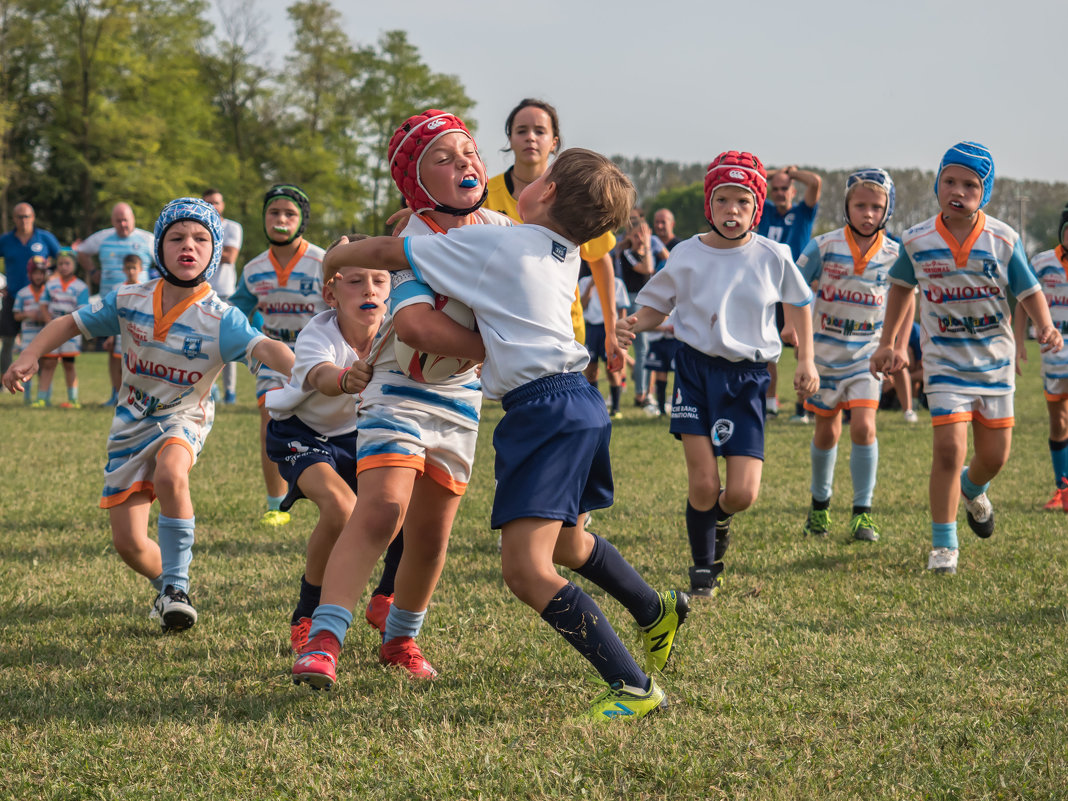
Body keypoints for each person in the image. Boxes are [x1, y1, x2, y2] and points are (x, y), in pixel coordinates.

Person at [297, 148, 687, 721]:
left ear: (548, 193)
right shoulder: (564, 252)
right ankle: (653, 609)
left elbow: (390, 255)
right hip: (581, 403)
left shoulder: (503, 240)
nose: (521, 184)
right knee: (568, 544)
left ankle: (632, 686)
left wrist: (341, 256)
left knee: (526, 569)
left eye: (541, 178)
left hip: (543, 412)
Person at [3, 198, 295, 630]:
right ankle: (168, 590)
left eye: (200, 238)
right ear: (158, 247)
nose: (188, 246)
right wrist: (28, 355)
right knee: (129, 545)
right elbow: (68, 325)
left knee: (171, 472)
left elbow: (266, 349)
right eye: (176, 237)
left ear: (214, 251)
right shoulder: (128, 299)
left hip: (184, 419)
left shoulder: (221, 318)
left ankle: (177, 586)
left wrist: (315, 373)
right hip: (129, 427)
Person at [292, 110, 505, 685]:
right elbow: (415, 330)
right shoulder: (412, 240)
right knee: (383, 510)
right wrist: (502, 345)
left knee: (432, 534)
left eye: (469, 151)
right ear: (415, 183)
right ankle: (325, 638)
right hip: (398, 390)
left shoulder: (507, 230)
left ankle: (401, 640)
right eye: (443, 157)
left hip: (461, 397)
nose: (463, 161)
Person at [618, 151, 818, 598]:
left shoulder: (773, 255)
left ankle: (721, 518)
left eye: (742, 202)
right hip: (693, 371)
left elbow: (800, 303)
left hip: (747, 378)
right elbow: (656, 306)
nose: (732, 211)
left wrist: (805, 360)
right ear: (709, 204)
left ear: (757, 208)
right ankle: (703, 568)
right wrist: (633, 324)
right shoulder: (687, 253)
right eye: (722, 200)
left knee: (742, 494)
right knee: (703, 483)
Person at [871, 142, 1062, 575]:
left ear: (986, 192)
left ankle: (973, 490)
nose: (958, 190)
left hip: (994, 361)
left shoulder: (1003, 238)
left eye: (970, 185)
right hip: (944, 363)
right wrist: (893, 345)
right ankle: (944, 545)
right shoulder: (917, 239)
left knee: (994, 455)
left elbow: (1029, 290)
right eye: (950, 181)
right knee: (948, 449)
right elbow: (901, 288)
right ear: (938, 183)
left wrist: (1045, 326)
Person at [265, 237, 382, 653]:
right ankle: (307, 612)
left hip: (355, 437)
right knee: (340, 507)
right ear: (330, 293)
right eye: (355, 281)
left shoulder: (396, 330)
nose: (369, 290)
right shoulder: (319, 331)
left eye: (379, 280)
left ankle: (385, 599)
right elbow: (319, 375)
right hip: (299, 432)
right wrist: (344, 379)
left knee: (401, 505)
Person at [796, 169, 904, 543]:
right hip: (823, 354)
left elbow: (906, 301)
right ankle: (820, 507)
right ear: (846, 205)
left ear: (888, 210)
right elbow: (793, 288)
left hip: (867, 356)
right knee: (826, 430)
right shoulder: (822, 246)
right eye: (860, 205)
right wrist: (792, 330)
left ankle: (862, 514)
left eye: (877, 207)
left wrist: (898, 345)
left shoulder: (895, 254)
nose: (868, 213)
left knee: (864, 426)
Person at [229, 185, 328, 526]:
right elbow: (233, 317)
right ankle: (276, 505)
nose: (281, 219)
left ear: (302, 221)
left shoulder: (323, 262)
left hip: (319, 356)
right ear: (264, 219)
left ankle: (337, 493)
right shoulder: (254, 269)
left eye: (289, 213)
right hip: (273, 357)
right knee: (269, 419)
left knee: (328, 424)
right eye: (274, 212)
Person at [1014, 202, 1068, 512]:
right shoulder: (1043, 262)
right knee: (1058, 421)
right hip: (1054, 349)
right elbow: (1022, 299)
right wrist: (1019, 341)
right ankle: (1062, 488)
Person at [757, 165, 822, 421]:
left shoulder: (802, 212)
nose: (780, 193)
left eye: (785, 189)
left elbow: (815, 182)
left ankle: (803, 407)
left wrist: (791, 173)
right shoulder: (765, 211)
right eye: (776, 189)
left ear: (794, 191)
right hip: (768, 288)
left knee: (801, 349)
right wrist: (773, 175)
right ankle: (771, 404)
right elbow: (756, 181)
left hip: (796, 288)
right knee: (766, 347)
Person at [75, 203, 155, 405]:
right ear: (112, 222)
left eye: (126, 219)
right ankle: (115, 393)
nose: (123, 224)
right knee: (113, 350)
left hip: (140, 307)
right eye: (118, 220)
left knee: (140, 351)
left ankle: (139, 395)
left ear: (133, 219)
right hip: (111, 305)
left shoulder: (147, 239)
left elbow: (165, 260)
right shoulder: (102, 238)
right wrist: (93, 271)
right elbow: (81, 251)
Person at [616, 207, 671, 409]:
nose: (641, 239)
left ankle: (644, 392)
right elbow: (646, 268)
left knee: (644, 350)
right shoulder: (627, 253)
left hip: (645, 299)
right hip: (632, 301)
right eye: (637, 235)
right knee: (641, 349)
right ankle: (641, 394)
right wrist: (648, 247)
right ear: (630, 236)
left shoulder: (640, 251)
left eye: (643, 235)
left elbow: (670, 259)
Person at [0, 203, 61, 373]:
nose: (23, 220)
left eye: (26, 216)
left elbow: (63, 257)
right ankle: (3, 380)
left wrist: (53, 277)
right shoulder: (6, 240)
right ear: (14, 219)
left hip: (40, 298)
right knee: (8, 340)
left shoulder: (44, 238)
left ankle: (37, 377)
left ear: (33, 217)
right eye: (19, 217)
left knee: (40, 339)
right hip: (13, 296)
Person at [203, 188, 243, 404]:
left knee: (229, 344)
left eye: (216, 203)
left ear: (223, 205)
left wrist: (203, 249)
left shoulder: (233, 227)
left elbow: (230, 257)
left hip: (226, 293)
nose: (213, 207)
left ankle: (230, 391)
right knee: (204, 344)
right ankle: (210, 388)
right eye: (208, 203)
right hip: (202, 294)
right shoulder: (199, 226)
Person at [38, 249, 90, 408]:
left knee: (69, 364)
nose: (63, 266)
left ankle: (73, 399)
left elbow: (82, 310)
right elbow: (43, 304)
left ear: (74, 265)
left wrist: (70, 327)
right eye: (60, 263)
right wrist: (49, 323)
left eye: (67, 263)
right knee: (48, 364)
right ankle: (41, 399)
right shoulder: (50, 284)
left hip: (71, 332)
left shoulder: (81, 287)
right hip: (53, 330)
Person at [579, 270, 629, 417]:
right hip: (591, 329)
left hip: (610, 328)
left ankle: (616, 408)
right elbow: (581, 306)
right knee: (591, 370)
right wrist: (590, 286)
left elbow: (622, 309)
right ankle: (594, 407)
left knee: (612, 369)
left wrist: (620, 332)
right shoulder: (583, 282)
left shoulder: (617, 283)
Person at [11, 255, 51, 406]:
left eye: (41, 273)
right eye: (35, 273)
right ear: (30, 275)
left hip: (45, 337)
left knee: (46, 367)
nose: (38, 276)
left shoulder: (49, 291)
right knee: (26, 369)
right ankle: (26, 398)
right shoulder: (22, 293)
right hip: (28, 337)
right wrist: (29, 314)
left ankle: (44, 398)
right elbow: (16, 315)